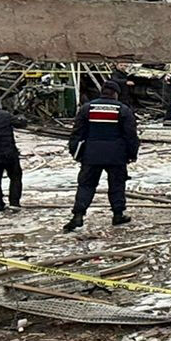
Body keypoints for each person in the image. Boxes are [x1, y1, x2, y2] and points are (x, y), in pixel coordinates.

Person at [64, 80, 138, 231]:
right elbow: (131, 135)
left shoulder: (87, 108)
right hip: (116, 155)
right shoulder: (123, 110)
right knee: (117, 185)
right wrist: (132, 154)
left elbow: (77, 133)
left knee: (86, 185)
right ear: (116, 93)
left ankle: (78, 215)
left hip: (91, 155)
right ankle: (118, 215)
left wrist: (76, 153)